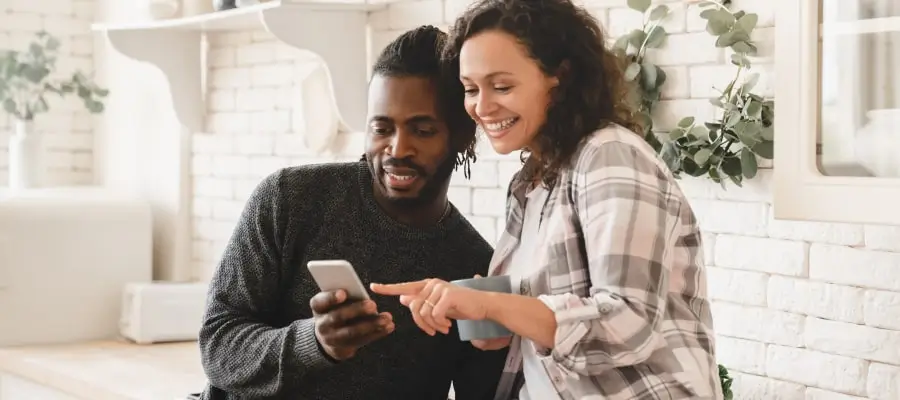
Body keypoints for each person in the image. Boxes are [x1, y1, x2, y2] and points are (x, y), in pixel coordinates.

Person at [371, 0, 722, 399]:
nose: (482, 107)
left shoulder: (610, 156)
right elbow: (536, 332)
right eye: (471, 89)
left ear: (559, 78)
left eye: (501, 86)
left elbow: (629, 323)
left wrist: (491, 307)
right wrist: (470, 311)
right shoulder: (530, 184)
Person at [196, 25, 508, 400]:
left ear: (462, 137)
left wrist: (498, 341)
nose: (397, 148)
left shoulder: (473, 265)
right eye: (381, 128)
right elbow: (218, 344)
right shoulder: (290, 199)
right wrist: (314, 342)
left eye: (422, 130)